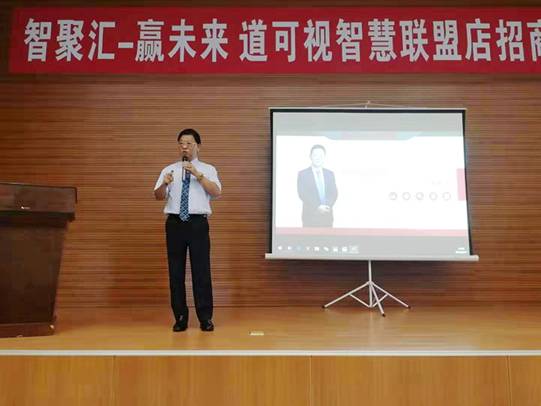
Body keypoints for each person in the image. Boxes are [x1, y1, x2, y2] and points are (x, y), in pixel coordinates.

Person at [154, 128, 221, 332]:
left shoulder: (208, 169)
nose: (184, 147)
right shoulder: (169, 170)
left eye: (189, 143)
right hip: (175, 223)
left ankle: (205, 318)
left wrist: (198, 175)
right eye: (181, 143)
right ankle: (180, 317)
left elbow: (216, 192)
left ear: (198, 146)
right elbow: (158, 196)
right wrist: (164, 184)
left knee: (201, 271)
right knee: (176, 272)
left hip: (197, 223)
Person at [297, 144, 338, 227]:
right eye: (315, 155)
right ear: (310, 156)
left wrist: (327, 206)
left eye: (321, 155)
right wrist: (317, 207)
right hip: (310, 217)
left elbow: (334, 193)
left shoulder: (330, 174)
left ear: (324, 157)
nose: (318, 158)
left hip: (327, 216)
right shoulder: (303, 174)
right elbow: (303, 194)